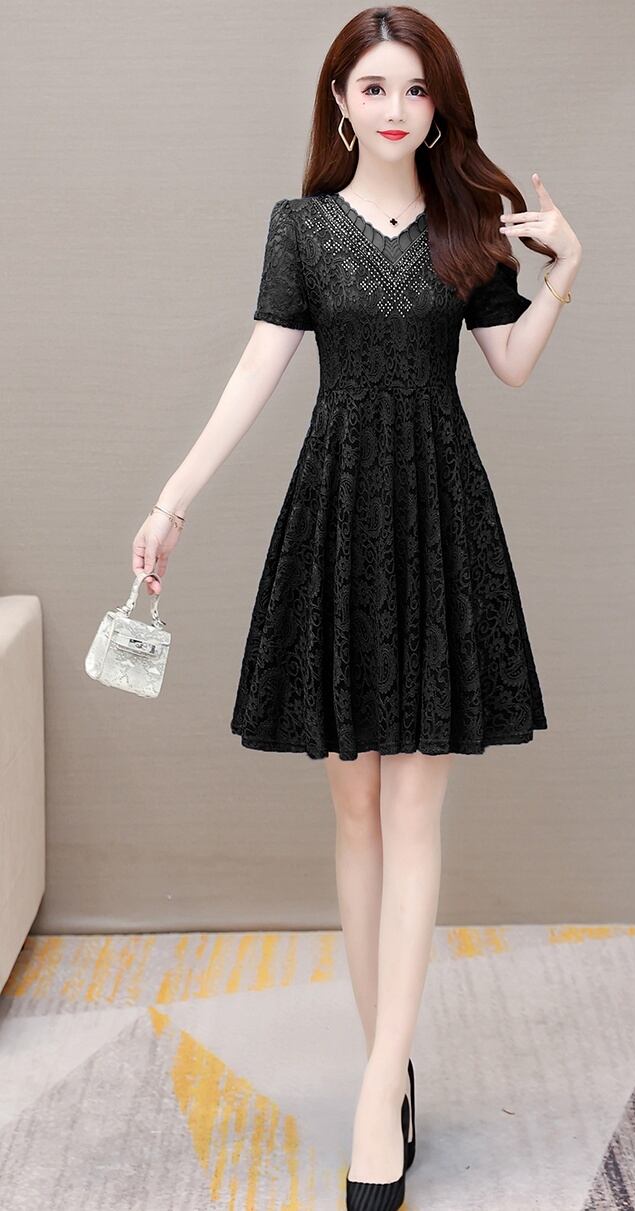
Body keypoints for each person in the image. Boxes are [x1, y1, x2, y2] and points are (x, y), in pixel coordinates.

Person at [132, 7, 582, 1208]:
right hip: (337, 509)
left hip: (437, 510)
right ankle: (392, 1063)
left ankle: (380, 1088)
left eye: (416, 89)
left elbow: (511, 364)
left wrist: (565, 274)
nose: (395, 108)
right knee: (355, 806)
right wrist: (172, 501)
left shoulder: (467, 225)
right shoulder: (301, 228)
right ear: (339, 101)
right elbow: (256, 368)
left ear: (439, 108)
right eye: (374, 86)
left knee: (417, 803)